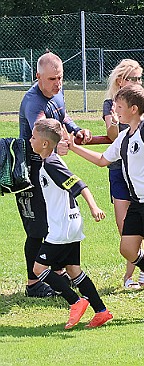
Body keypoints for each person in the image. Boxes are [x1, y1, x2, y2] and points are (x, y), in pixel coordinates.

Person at [68, 84, 144, 321]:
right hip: (138, 203)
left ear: (133, 109)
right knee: (128, 250)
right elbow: (103, 160)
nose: (115, 111)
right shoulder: (124, 136)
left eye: (119, 107)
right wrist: (73, 147)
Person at [17, 51, 92, 297]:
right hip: (30, 173)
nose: (57, 84)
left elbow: (62, 115)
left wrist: (76, 130)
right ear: (38, 76)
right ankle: (33, 283)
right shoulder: (33, 101)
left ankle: (57, 275)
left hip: (50, 171)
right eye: (51, 79)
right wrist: (60, 140)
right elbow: (41, 128)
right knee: (37, 229)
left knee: (55, 224)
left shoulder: (57, 93)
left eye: (59, 78)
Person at [30, 119, 112, 329]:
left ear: (46, 143)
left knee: (39, 269)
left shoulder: (51, 164)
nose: (30, 140)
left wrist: (94, 207)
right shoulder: (51, 161)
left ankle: (75, 301)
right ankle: (101, 311)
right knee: (74, 270)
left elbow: (80, 185)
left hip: (62, 228)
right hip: (71, 225)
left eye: (33, 137)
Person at [103, 59, 144, 289]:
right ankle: (134, 274)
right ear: (121, 81)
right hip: (119, 171)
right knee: (125, 228)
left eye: (140, 78)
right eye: (133, 79)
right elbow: (111, 137)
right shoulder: (110, 103)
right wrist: (113, 120)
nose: (139, 83)